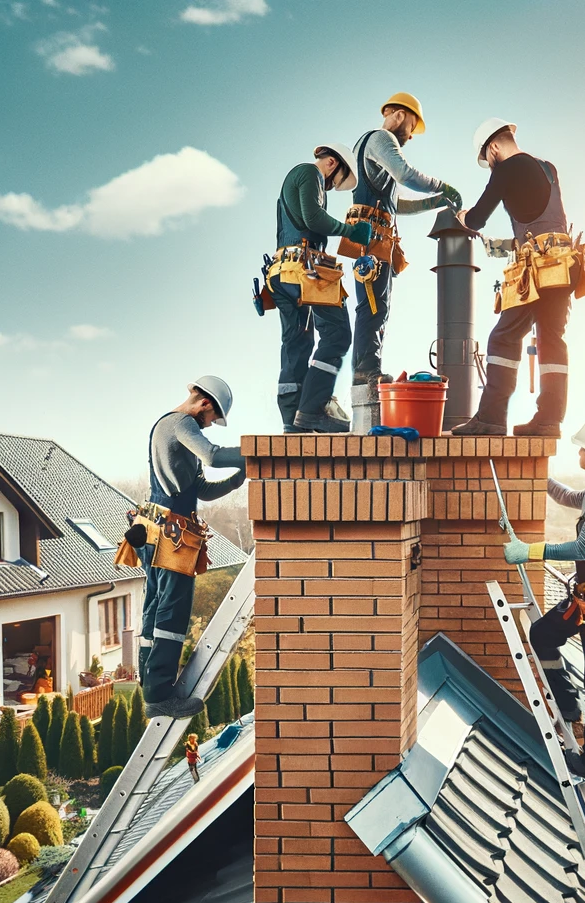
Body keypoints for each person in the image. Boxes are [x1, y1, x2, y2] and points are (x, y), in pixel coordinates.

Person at [503, 420, 585, 796]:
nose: (577, 454)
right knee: (543, 634)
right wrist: (533, 472)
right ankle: (568, 706)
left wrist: (530, 551)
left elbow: (583, 549)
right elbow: (564, 497)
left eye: (580, 450)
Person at [454, 118, 577, 438]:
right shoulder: (548, 169)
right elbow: (541, 219)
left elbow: (477, 218)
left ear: (493, 148)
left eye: (488, 159)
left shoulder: (505, 170)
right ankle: (549, 420)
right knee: (552, 340)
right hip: (562, 267)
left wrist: (463, 217)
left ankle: (491, 419)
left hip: (535, 271)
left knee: (503, 338)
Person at [137, 376, 246, 719]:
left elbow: (200, 487)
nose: (211, 425)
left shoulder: (165, 427)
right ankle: (159, 694)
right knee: (173, 608)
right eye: (213, 419)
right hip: (173, 531)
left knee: (155, 603)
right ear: (206, 405)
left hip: (156, 523)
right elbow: (212, 456)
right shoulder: (181, 423)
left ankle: (149, 682)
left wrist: (237, 479)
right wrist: (255, 452)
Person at [349, 92, 462, 386]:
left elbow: (395, 205)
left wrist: (437, 201)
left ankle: (365, 369)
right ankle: (366, 371)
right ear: (398, 114)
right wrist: (443, 186)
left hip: (374, 236)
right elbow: (405, 174)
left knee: (375, 305)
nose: (411, 136)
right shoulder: (380, 139)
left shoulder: (368, 149)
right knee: (374, 306)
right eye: (413, 126)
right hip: (373, 239)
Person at [270, 144, 374, 433]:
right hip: (308, 271)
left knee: (296, 341)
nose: (329, 186)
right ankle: (313, 409)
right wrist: (351, 230)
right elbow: (312, 218)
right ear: (331, 163)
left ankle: (293, 419)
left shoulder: (296, 178)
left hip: (283, 271)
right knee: (338, 335)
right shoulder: (310, 173)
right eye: (333, 182)